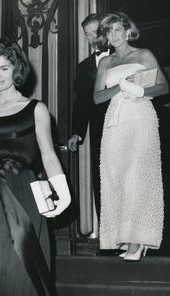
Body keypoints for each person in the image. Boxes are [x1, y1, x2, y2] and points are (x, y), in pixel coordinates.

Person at [0, 38, 71, 296]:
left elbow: (49, 155)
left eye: (4, 68)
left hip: (23, 193)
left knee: (22, 269)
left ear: (15, 68)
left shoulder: (36, 109)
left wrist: (63, 191)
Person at [94, 12, 169, 261]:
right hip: (115, 121)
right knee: (116, 176)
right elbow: (97, 98)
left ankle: (139, 240)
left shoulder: (144, 54)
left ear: (127, 30)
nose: (113, 35)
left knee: (137, 175)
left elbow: (163, 87)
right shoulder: (105, 62)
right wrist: (120, 85)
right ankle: (124, 237)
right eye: (108, 32)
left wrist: (137, 89)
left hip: (140, 116)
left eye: (117, 29)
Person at [68, 14, 109, 221]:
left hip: (128, 123)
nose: (93, 38)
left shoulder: (126, 57)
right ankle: (108, 240)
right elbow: (81, 103)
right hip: (99, 130)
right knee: (102, 180)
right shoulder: (83, 67)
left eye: (96, 32)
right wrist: (77, 132)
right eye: (87, 34)